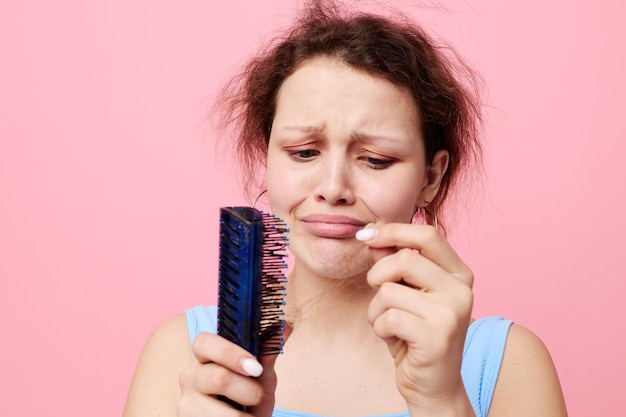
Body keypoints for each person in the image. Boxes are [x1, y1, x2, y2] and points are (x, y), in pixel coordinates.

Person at [123, 1, 568, 416]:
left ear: (431, 178)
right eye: (302, 152)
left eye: (375, 159)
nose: (333, 188)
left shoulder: (508, 361)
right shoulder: (184, 354)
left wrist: (443, 400)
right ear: (268, 160)